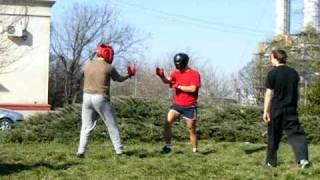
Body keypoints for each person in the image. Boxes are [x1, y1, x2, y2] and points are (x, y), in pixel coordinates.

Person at [77, 43, 136, 158]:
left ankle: (81, 151)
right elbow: (118, 79)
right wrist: (129, 75)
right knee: (112, 125)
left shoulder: (88, 64)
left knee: (86, 127)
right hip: (100, 98)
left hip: (86, 96)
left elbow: (82, 75)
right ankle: (119, 151)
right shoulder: (108, 67)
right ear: (107, 54)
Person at [263, 49, 309, 168]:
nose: (270, 60)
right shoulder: (294, 73)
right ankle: (303, 159)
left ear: (275, 58)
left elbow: (269, 93)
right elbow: (295, 92)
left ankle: (270, 162)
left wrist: (265, 111)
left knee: (273, 136)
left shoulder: (272, 73)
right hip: (291, 109)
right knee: (297, 134)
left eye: (271, 57)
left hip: (276, 109)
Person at [156, 53, 201, 153]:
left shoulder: (194, 74)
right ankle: (168, 146)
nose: (177, 64)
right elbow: (168, 81)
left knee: (191, 129)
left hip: (190, 106)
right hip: (177, 104)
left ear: (184, 62)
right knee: (167, 123)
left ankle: (195, 150)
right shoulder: (175, 73)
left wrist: (179, 86)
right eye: (176, 62)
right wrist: (161, 76)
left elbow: (193, 89)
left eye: (179, 62)